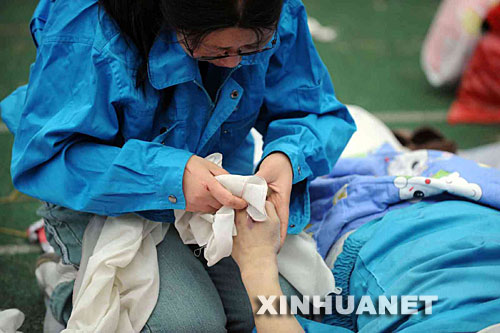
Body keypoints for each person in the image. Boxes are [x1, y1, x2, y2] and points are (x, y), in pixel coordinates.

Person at [0, 0, 356, 330]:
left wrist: (287, 157)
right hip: (103, 193)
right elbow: (44, 159)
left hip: (208, 190)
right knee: (189, 325)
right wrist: (170, 177)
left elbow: (313, 109)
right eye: (218, 50)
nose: (235, 63)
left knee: (279, 305)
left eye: (252, 48)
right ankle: (66, 287)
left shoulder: (272, 9)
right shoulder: (86, 29)